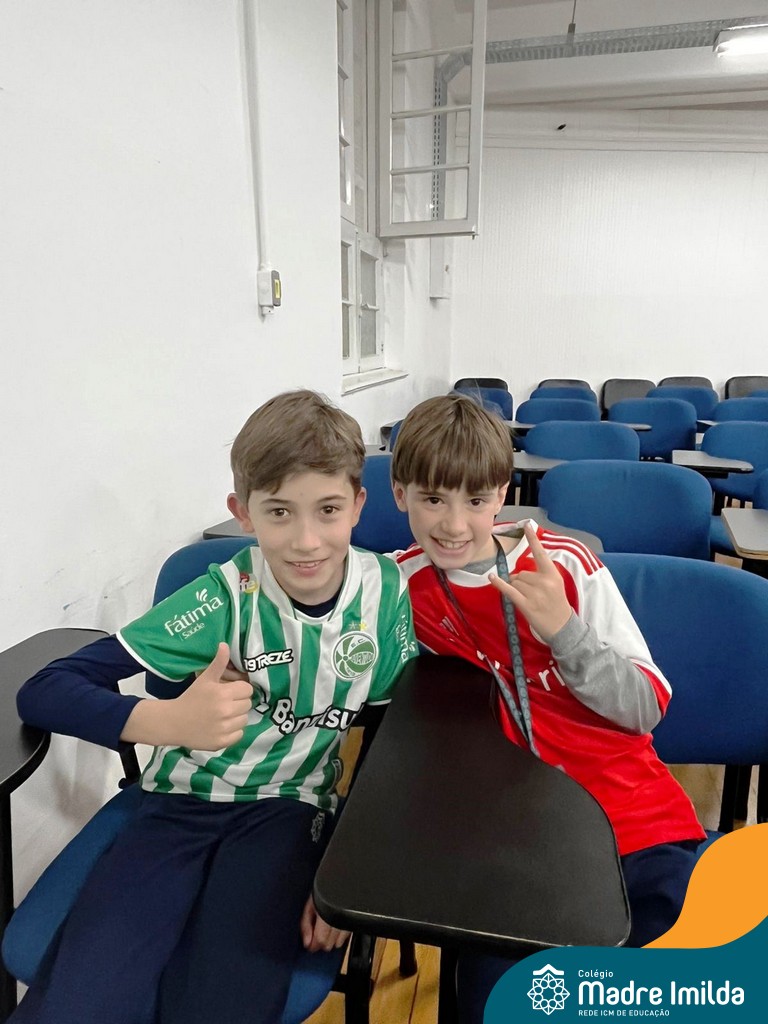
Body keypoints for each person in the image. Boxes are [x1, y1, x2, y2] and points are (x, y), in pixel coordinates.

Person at [13, 389, 417, 1024]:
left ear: (358, 506)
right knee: (84, 996)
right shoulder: (225, 596)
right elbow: (45, 688)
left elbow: (392, 736)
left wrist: (349, 872)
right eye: (279, 511)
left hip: (289, 809)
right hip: (177, 803)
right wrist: (164, 721)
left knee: (224, 997)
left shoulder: (385, 593)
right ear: (243, 513)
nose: (306, 540)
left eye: (328, 510)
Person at [390, 393, 705, 1024]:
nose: (454, 524)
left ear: (503, 495)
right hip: (511, 832)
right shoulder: (398, 585)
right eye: (432, 499)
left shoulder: (564, 564)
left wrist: (564, 629)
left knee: (674, 986)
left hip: (630, 812)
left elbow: (644, 707)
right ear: (400, 494)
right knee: (499, 999)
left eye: (475, 500)